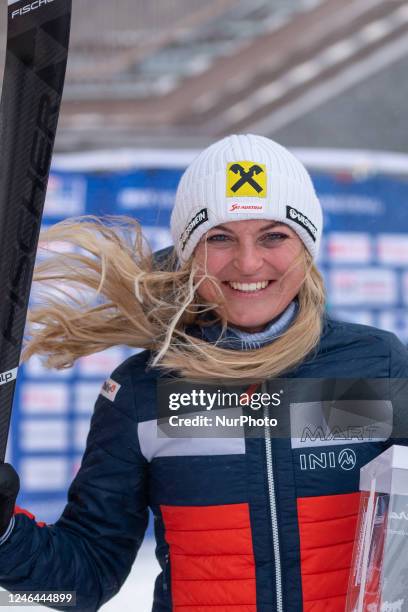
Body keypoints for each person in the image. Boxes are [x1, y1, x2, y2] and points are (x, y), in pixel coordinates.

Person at [0, 134, 407, 612]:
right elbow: (82, 582)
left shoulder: (378, 365)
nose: (249, 262)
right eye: (219, 238)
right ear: (190, 254)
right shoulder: (143, 390)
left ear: (307, 246)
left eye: (274, 236)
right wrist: (5, 536)